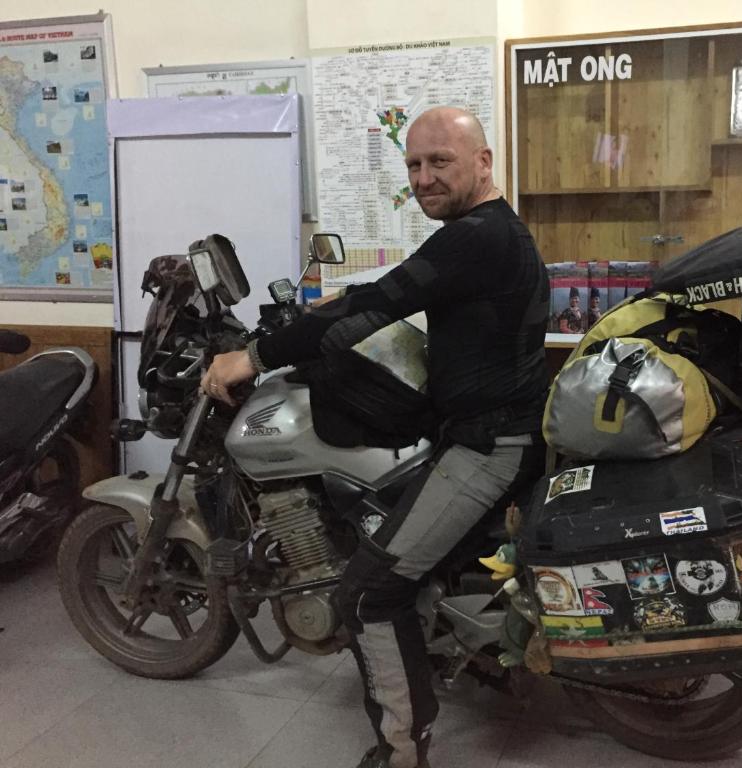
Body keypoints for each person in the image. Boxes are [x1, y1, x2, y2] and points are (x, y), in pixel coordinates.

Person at [201, 106, 550, 768]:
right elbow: (386, 294)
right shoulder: (487, 234)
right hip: (489, 430)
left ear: (483, 162)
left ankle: (401, 750)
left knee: (367, 594)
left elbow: (380, 300)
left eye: (440, 161)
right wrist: (322, 315)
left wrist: (254, 355)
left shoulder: (476, 237)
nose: (423, 177)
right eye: (413, 164)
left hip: (488, 447)